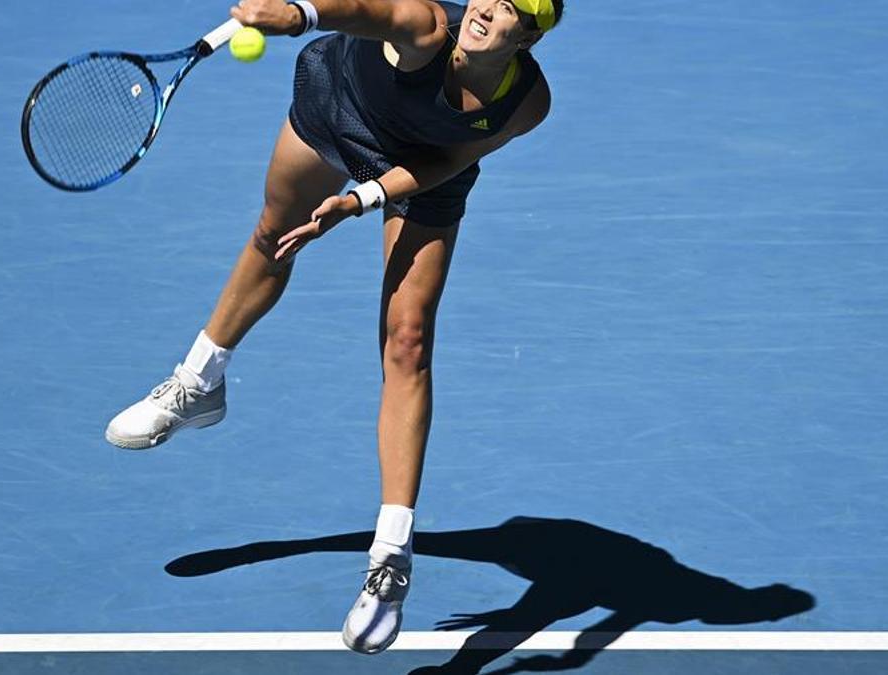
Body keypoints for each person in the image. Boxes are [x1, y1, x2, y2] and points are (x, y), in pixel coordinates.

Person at [105, 0, 563, 655]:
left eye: (514, 8)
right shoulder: (428, 25)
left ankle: (391, 558)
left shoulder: (527, 102)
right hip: (341, 105)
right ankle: (198, 383)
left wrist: (362, 198)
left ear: (531, 35)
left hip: (422, 163)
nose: (489, 9)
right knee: (273, 234)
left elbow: (449, 161)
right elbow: (367, 11)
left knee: (408, 340)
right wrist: (299, 13)